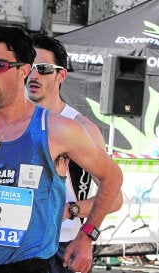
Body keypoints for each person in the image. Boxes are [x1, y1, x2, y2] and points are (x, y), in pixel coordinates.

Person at [0, 25, 123, 273]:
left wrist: (87, 235)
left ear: (23, 71)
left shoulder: (61, 130)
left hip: (35, 263)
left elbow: (112, 177)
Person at [27, 33, 123, 273]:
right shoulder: (5, 122)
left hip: (60, 247)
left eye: (44, 68)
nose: (34, 75)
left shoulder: (81, 127)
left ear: (61, 75)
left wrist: (72, 211)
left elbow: (115, 197)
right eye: (28, 67)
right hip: (9, 246)